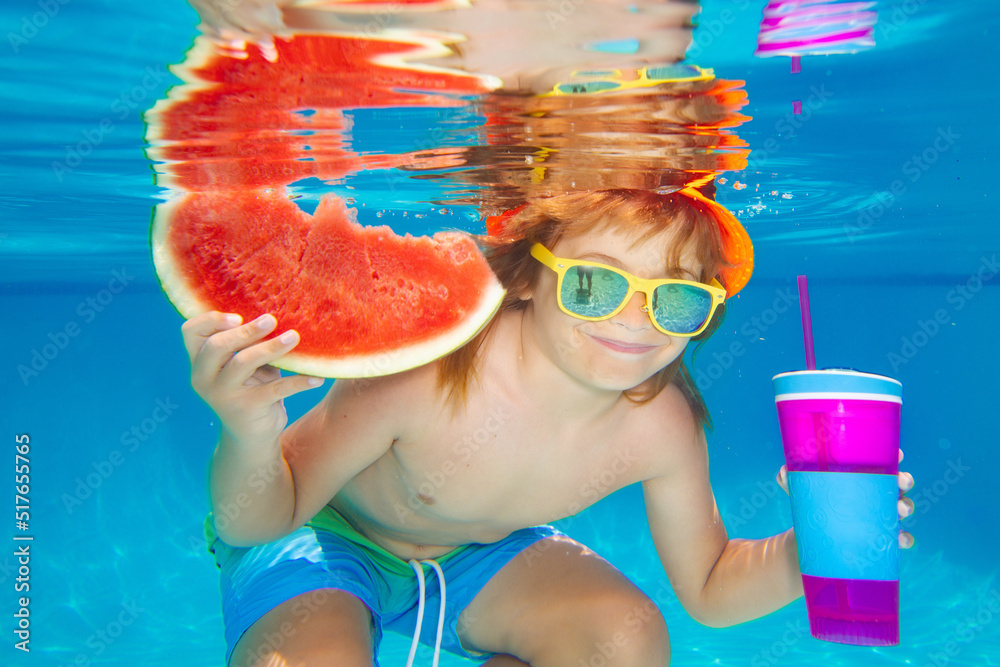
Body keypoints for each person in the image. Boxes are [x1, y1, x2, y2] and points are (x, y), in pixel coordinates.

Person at [184, 183, 916, 667]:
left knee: (625, 638)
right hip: (325, 535)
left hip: (478, 553)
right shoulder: (428, 373)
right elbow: (260, 516)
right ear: (528, 278)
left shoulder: (660, 425)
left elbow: (711, 588)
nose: (636, 320)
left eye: (678, 300)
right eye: (596, 285)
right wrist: (246, 426)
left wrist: (810, 548)